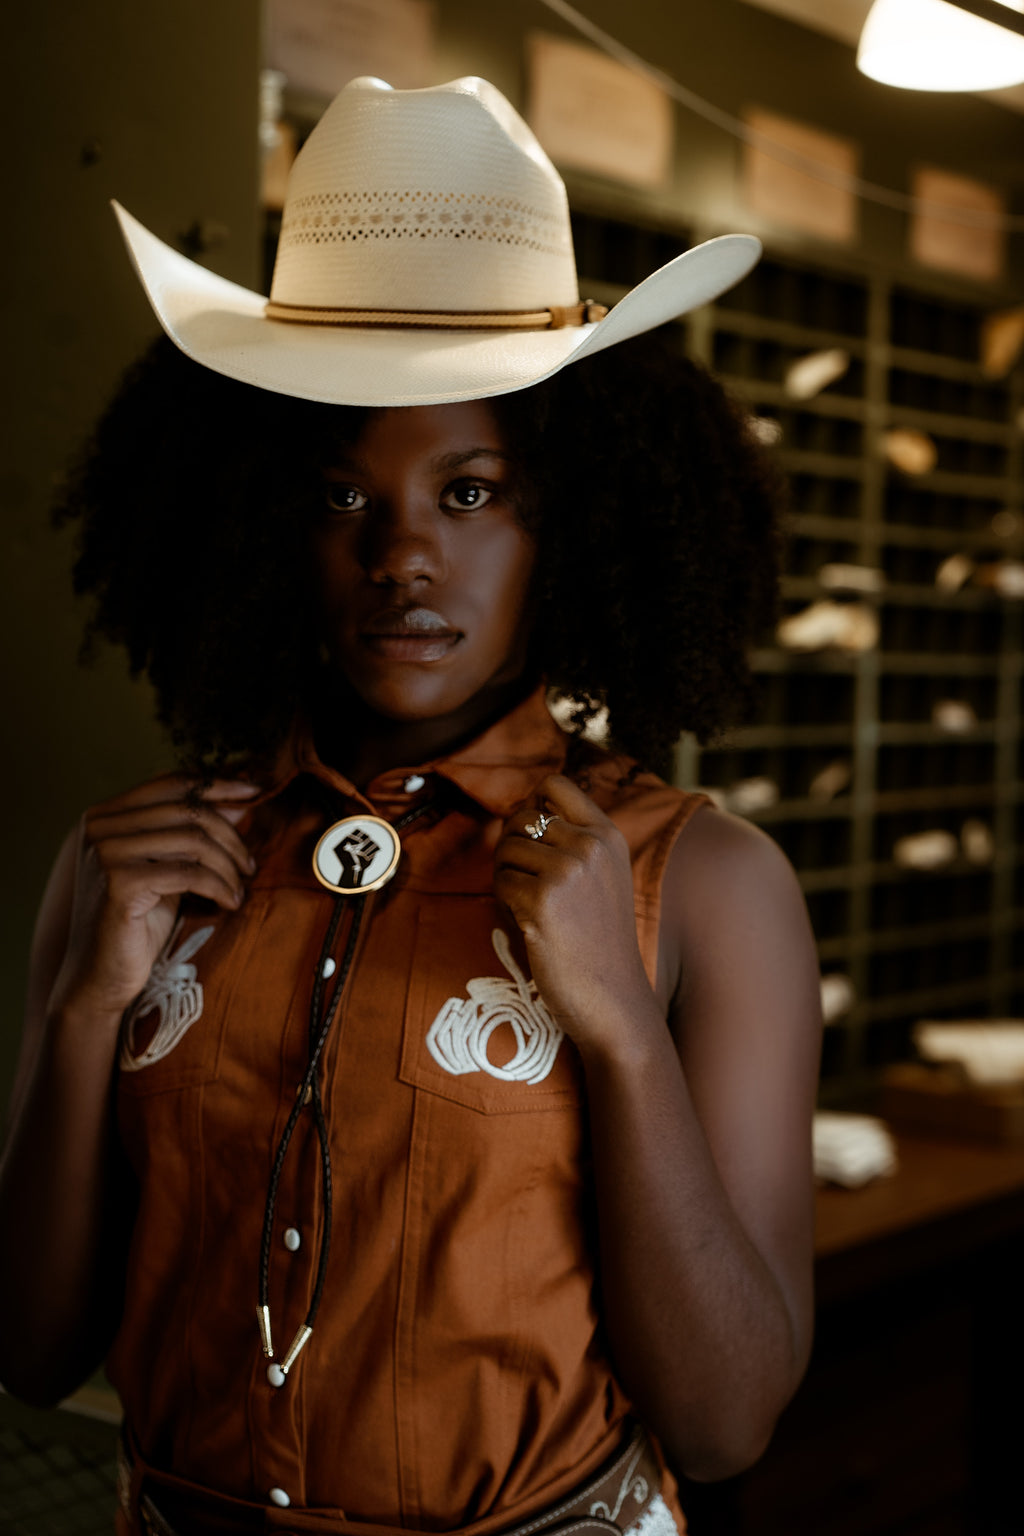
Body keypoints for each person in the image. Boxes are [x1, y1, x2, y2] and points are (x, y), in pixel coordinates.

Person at [0, 75, 821, 1536]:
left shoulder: (702, 882)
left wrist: (621, 1028)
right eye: (339, 497)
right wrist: (82, 1012)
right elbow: (29, 1349)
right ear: (258, 518)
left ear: (573, 519)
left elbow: (724, 1423)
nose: (401, 557)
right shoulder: (132, 864)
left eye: (473, 491)